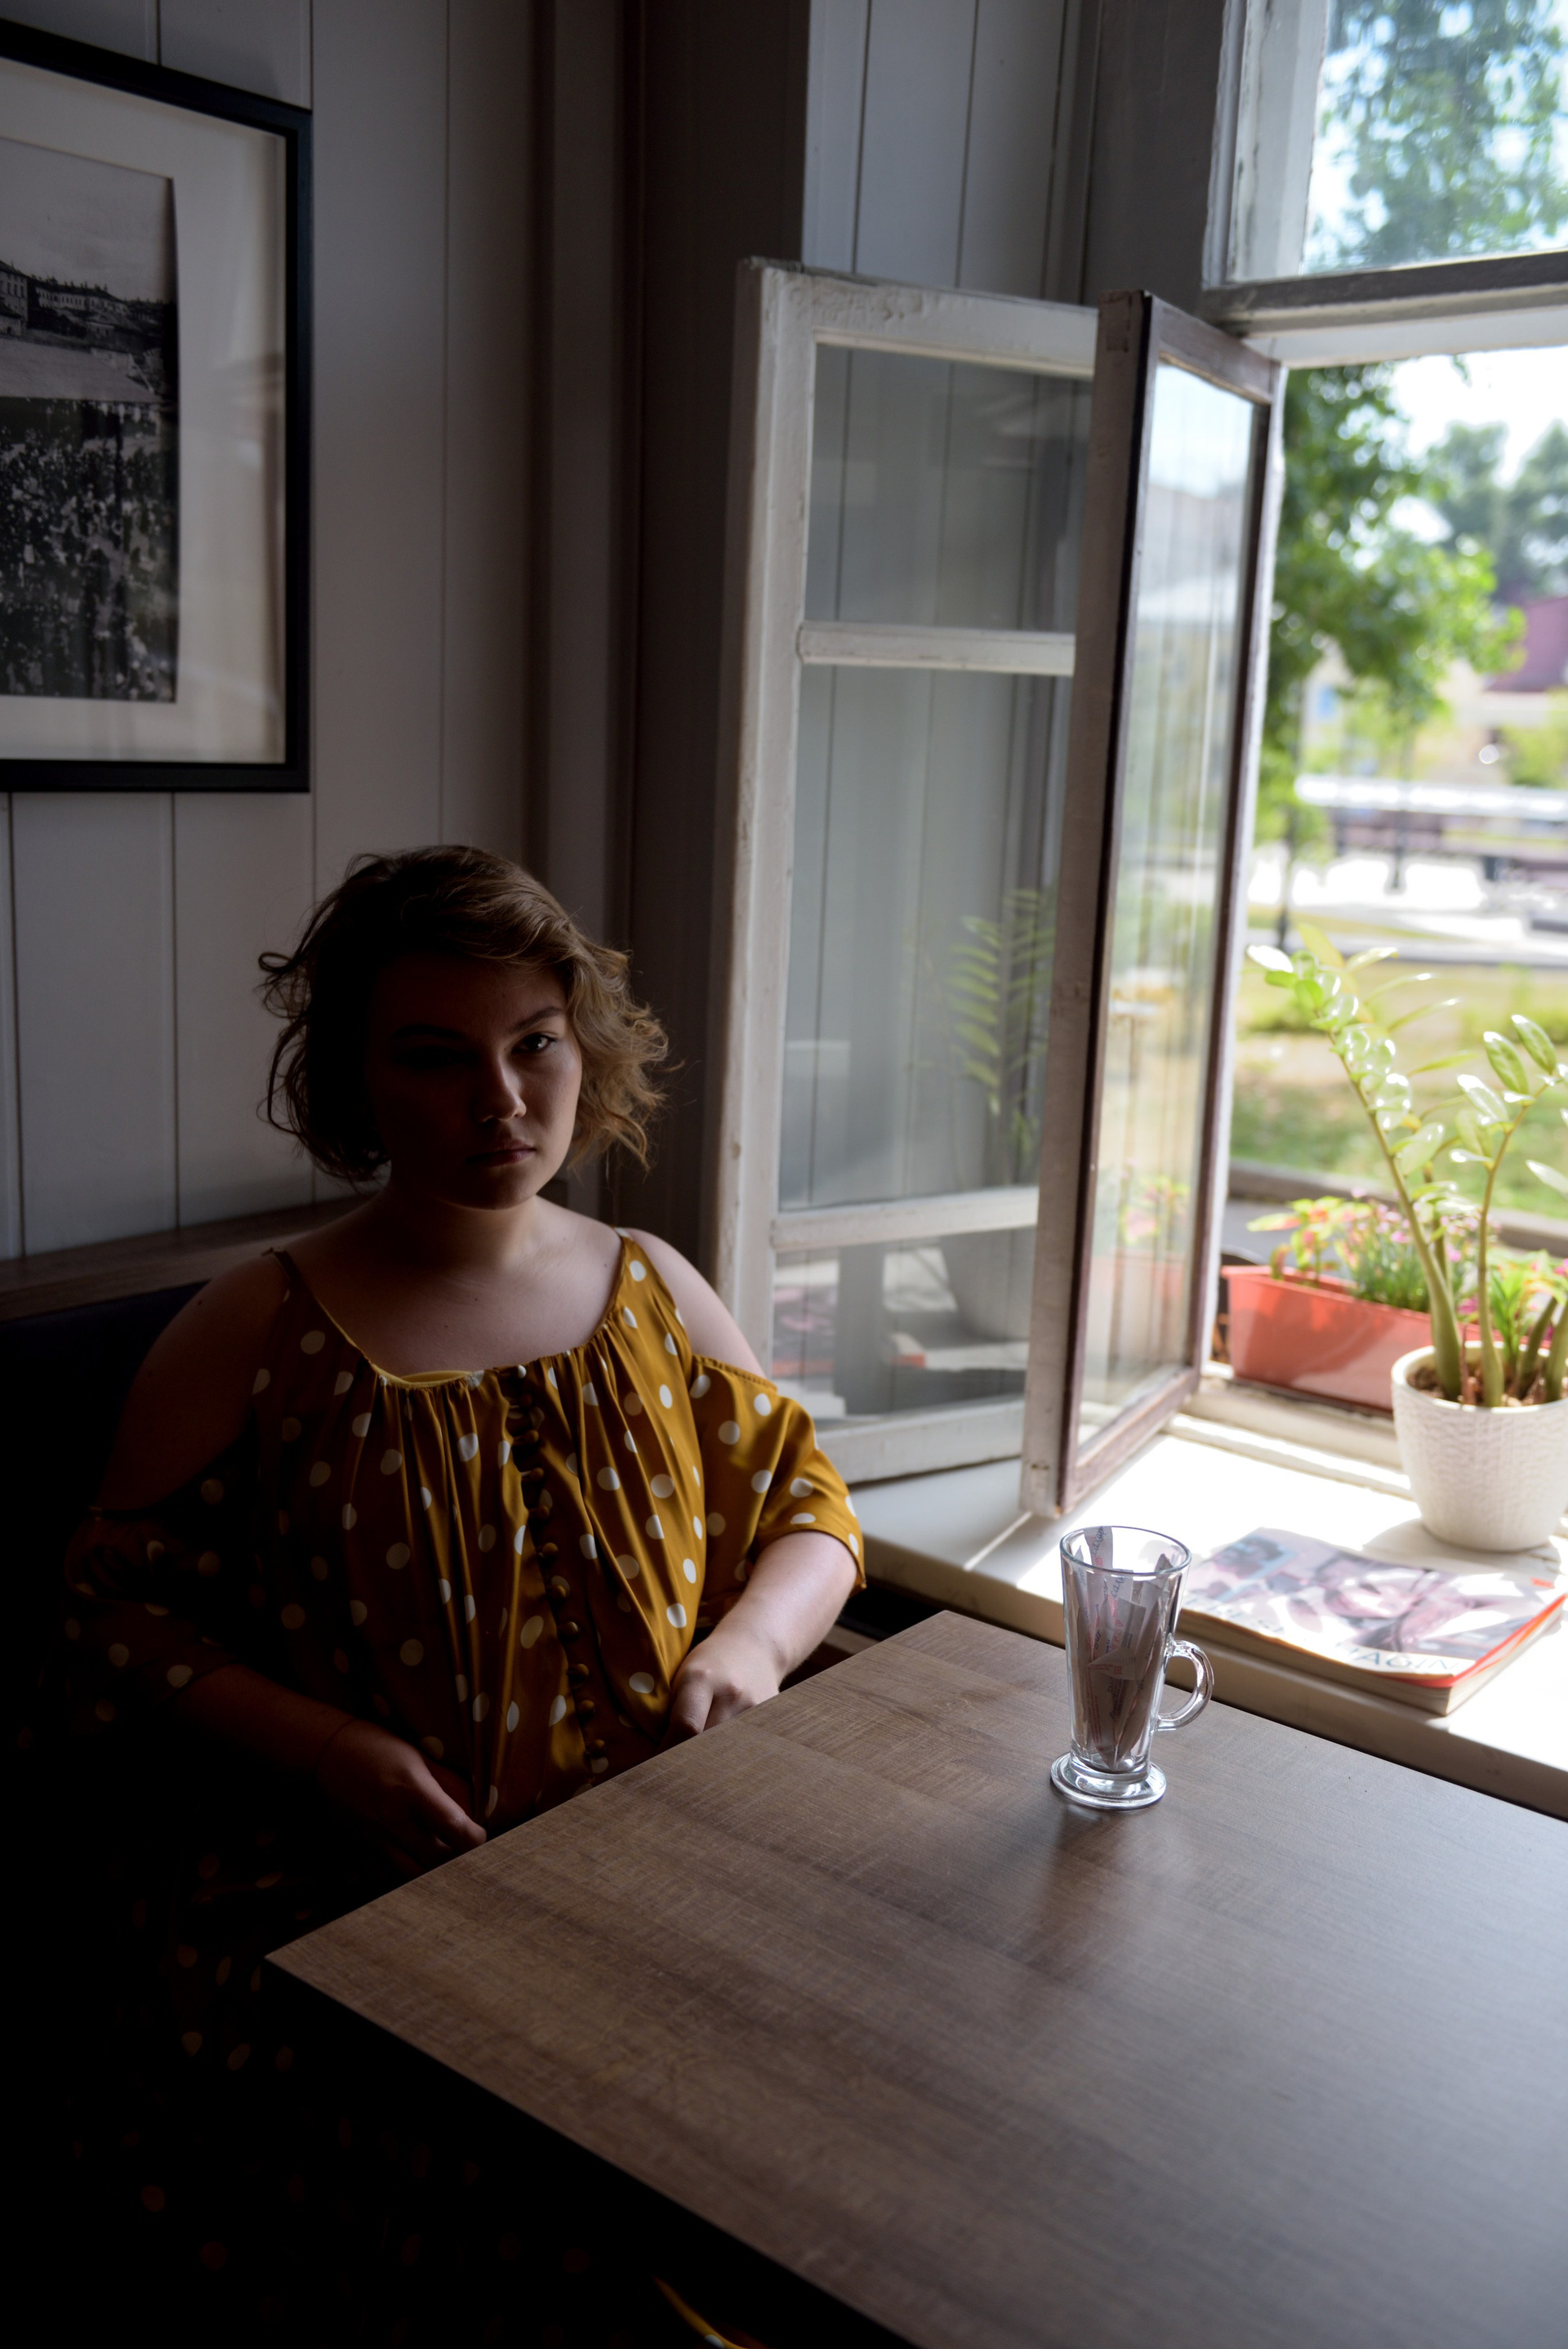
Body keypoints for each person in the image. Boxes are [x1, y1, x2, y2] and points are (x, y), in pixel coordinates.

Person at [62, 845, 862, 2339]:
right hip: (373, 1898)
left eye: (533, 1045)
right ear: (354, 1081)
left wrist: (752, 1649)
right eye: (434, 1057)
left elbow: (810, 1515)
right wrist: (329, 1752)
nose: (500, 1100)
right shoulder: (261, 1324)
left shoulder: (654, 1284)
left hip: (668, 1874)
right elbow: (111, 1621)